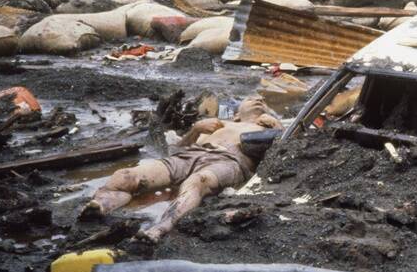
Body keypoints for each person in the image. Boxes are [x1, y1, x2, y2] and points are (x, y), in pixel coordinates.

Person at [80, 96, 282, 242]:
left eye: (264, 101)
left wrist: (278, 129)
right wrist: (195, 130)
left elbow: (287, 154)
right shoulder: (219, 123)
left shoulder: (270, 128)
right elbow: (178, 148)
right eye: (252, 98)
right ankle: (100, 205)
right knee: (126, 175)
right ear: (237, 113)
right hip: (191, 154)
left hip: (229, 160)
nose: (259, 99)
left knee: (196, 182)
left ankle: (160, 228)